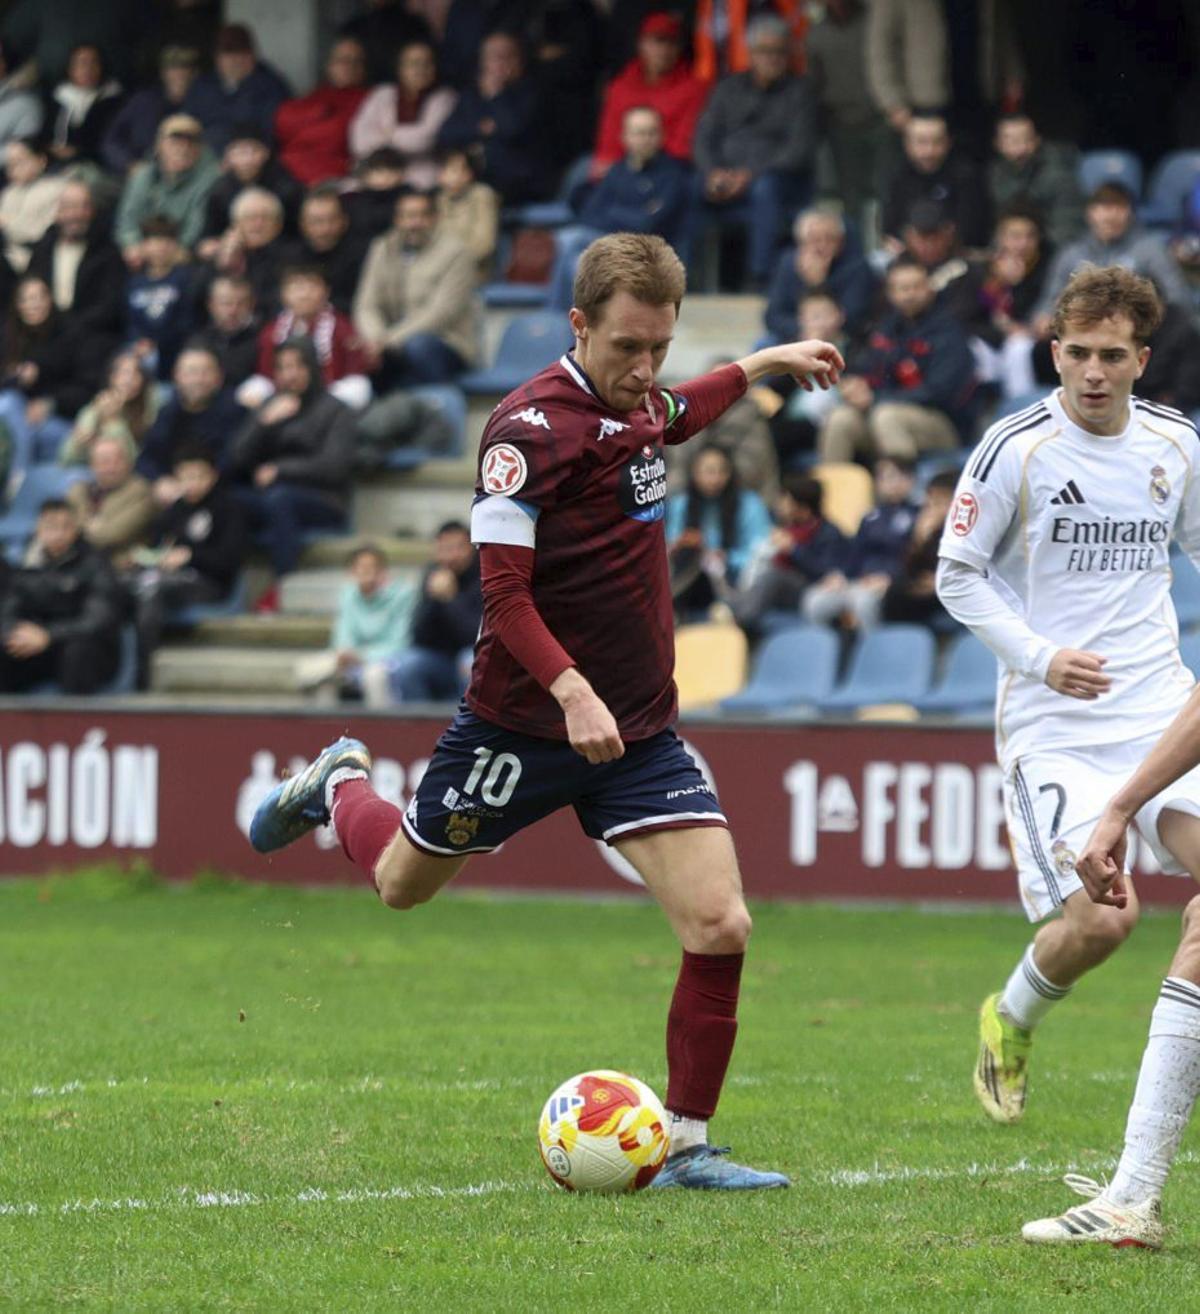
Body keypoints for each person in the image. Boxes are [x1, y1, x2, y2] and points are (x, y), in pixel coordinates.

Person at [246, 232, 844, 1191]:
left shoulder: (643, 398)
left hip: (637, 730)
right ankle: (341, 783)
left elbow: (682, 412)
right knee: (402, 884)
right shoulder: (523, 434)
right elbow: (504, 598)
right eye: (625, 349)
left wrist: (767, 360)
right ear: (578, 325)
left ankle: (687, 1145)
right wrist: (570, 691)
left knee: (721, 923)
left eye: (659, 346)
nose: (644, 370)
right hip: (521, 726)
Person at [933, 265, 1200, 1145]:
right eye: (1077, 353)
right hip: (1055, 728)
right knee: (1104, 919)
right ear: (1053, 352)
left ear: (1141, 360)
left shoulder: (1177, 446)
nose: (1092, 371)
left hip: (1162, 710)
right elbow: (956, 575)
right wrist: (1042, 659)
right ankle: (1009, 1019)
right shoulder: (1014, 448)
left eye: (1111, 355)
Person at [690, 14, 819, 287]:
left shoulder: (801, 92)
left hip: (779, 181)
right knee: (687, 187)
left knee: (766, 190)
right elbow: (704, 137)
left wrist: (748, 176)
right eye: (764, 51)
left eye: (779, 52)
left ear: (788, 54)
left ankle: (760, 278)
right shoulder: (728, 88)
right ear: (750, 53)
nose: (772, 58)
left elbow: (798, 150)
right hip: (725, 177)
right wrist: (712, 172)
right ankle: (684, 278)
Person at [818, 255, 976, 462]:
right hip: (884, 413)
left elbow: (938, 393)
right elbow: (863, 366)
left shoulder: (949, 330)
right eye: (902, 288)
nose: (909, 294)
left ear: (930, 288)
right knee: (841, 418)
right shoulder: (887, 326)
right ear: (890, 293)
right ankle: (835, 491)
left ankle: (900, 491)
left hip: (942, 425)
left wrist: (876, 397)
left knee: (887, 416)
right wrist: (855, 385)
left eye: (916, 287)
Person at [229, 337, 355, 595]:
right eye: (283, 368)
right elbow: (236, 459)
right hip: (268, 497)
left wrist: (280, 470)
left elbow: (334, 467)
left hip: (324, 501)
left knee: (280, 498)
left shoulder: (336, 410)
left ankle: (284, 588)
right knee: (228, 499)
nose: (290, 375)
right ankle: (226, 587)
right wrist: (263, 424)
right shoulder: (270, 406)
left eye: (297, 367)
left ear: (312, 368)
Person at [129, 443, 246, 687]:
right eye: (185, 477)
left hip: (209, 583)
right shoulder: (175, 509)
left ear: (212, 475)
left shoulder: (229, 508)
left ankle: (143, 676)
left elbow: (229, 561)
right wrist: (150, 556)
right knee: (126, 582)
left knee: (151, 587)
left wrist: (190, 557)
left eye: (198, 476)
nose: (192, 483)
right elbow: (157, 544)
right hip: (170, 578)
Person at [352, 188, 478, 387]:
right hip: (387, 345)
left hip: (445, 343)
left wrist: (388, 341)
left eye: (423, 216)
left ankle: (435, 406)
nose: (415, 223)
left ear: (435, 218)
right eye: (408, 216)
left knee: (418, 347)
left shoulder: (456, 252)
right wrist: (374, 339)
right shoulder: (382, 248)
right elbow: (367, 304)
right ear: (397, 220)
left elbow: (441, 313)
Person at [0, 498, 123, 693]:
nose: (58, 533)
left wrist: (49, 635)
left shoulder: (96, 563)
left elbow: (97, 620)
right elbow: (7, 609)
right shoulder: (24, 565)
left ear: (75, 530)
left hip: (84, 649)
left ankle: (73, 721)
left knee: (78, 651)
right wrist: (14, 633)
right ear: (38, 529)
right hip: (38, 647)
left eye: (65, 527)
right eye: (51, 526)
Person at [1033, 183, 1193, 326]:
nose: (1111, 215)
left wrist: (1150, 315)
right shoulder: (1071, 253)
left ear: (1130, 212)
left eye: (1120, 207)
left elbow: (1178, 299)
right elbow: (1049, 301)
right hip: (1082, 330)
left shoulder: (1150, 248)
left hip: (1139, 331)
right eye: (1104, 207)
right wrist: (1044, 318)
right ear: (1090, 212)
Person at [802, 456, 918, 631]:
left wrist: (892, 579)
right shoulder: (870, 517)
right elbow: (855, 554)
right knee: (815, 600)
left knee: (863, 602)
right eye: (881, 477)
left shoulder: (918, 516)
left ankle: (873, 652)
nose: (886, 483)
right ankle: (826, 653)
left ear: (909, 480)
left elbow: (914, 557)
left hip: (890, 583)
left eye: (892, 476)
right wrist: (840, 575)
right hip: (860, 581)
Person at [435, 32, 551, 205]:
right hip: (472, 182)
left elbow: (513, 130)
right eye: (493, 57)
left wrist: (496, 94)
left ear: (520, 60)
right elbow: (446, 134)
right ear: (482, 61)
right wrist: (482, 128)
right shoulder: (471, 94)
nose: (500, 63)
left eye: (506, 56)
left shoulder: (533, 92)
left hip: (520, 187)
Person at [591, 12, 708, 179]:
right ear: (641, 44)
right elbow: (609, 138)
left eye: (672, 43)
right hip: (621, 166)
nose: (664, 50)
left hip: (668, 170)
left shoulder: (694, 88)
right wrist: (613, 165)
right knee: (580, 177)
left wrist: (641, 162)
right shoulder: (621, 86)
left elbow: (682, 146)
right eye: (657, 42)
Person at [297, 542, 415, 706]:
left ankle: (383, 729)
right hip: (351, 661)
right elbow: (343, 636)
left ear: (383, 572)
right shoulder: (348, 594)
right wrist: (346, 654)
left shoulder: (403, 595)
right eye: (360, 567)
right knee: (314, 674)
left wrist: (361, 656)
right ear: (351, 572)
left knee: (373, 676)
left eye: (371, 567)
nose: (366, 572)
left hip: (388, 662)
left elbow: (400, 643)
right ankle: (327, 727)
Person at [242, 264, 372, 411]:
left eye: (312, 286)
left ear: (326, 292)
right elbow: (266, 375)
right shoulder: (271, 332)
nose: (304, 294)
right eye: (296, 287)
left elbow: (355, 374)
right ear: (283, 294)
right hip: (282, 401)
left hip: (330, 402)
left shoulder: (343, 329)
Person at [732, 473, 847, 635]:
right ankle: (734, 611)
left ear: (803, 508)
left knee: (773, 575)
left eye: (785, 501)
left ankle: (740, 621)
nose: (779, 505)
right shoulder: (786, 528)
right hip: (782, 592)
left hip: (811, 590)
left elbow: (825, 571)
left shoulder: (828, 532)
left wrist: (794, 549)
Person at [665, 444, 773, 617]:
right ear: (694, 473)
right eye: (708, 471)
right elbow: (671, 543)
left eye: (721, 471)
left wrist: (727, 558)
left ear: (730, 473)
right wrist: (681, 545)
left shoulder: (750, 504)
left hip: (736, 582)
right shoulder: (681, 504)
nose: (715, 479)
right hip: (690, 581)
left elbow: (760, 552)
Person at [577, 107, 692, 253]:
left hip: (650, 255)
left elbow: (647, 224)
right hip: (605, 243)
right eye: (639, 133)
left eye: (652, 132)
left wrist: (612, 211)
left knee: (571, 241)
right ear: (625, 137)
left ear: (662, 136)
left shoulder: (675, 174)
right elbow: (590, 213)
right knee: (569, 246)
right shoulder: (617, 170)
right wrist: (633, 213)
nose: (646, 139)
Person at [1, 273, 112, 423]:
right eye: (25, 299)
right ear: (17, 305)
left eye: (40, 297)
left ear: (50, 300)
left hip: (59, 415)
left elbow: (86, 386)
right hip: (17, 410)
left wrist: (50, 403)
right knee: (8, 405)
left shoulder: (72, 333)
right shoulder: (9, 335)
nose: (34, 305)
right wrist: (17, 378)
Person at [390, 520, 481, 701]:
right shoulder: (433, 573)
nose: (450, 556)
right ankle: (417, 728)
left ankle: (467, 727)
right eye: (444, 549)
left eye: (456, 548)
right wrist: (433, 599)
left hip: (472, 653)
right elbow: (418, 635)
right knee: (408, 665)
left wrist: (450, 600)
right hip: (439, 658)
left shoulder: (484, 575)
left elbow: (476, 634)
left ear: (471, 548)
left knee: (470, 662)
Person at [136, 344, 245, 493]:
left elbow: (234, 460)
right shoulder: (168, 412)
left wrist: (196, 481)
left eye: (206, 372)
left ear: (219, 377)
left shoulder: (235, 411)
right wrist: (160, 481)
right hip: (174, 489)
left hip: (220, 490)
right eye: (191, 372)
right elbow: (146, 458)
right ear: (177, 376)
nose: (198, 379)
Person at [349, 41, 457, 192]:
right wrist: (398, 138)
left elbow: (423, 139)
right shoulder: (382, 93)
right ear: (400, 68)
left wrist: (386, 134)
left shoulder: (445, 97)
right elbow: (359, 140)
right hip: (374, 176)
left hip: (420, 180)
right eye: (413, 63)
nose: (420, 69)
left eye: (427, 63)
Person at [114, 114, 221, 262]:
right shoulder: (143, 175)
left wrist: (166, 252)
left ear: (200, 148)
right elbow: (127, 220)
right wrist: (132, 244)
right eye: (175, 142)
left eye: (191, 143)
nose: (183, 149)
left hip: (183, 254)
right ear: (159, 145)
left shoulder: (211, 178)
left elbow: (196, 227)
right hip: (143, 252)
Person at [763, 206, 877, 344]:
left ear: (841, 242)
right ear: (800, 242)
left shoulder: (857, 267)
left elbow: (853, 318)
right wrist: (804, 329)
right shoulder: (788, 263)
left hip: (839, 337)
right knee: (764, 344)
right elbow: (773, 316)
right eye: (815, 239)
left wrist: (819, 285)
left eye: (830, 239)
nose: (822, 246)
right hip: (796, 334)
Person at [27, 179, 125, 335]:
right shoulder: (43, 249)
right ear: (57, 212)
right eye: (67, 207)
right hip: (46, 331)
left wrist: (70, 326)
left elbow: (110, 305)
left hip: (91, 333)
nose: (74, 215)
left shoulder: (107, 251)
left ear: (91, 211)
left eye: (82, 207)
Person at [881, 114, 989, 252]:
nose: (929, 151)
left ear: (948, 142)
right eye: (921, 142)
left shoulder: (966, 175)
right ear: (907, 144)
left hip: (956, 254)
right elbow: (890, 229)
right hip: (906, 254)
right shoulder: (896, 176)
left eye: (937, 142)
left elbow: (972, 230)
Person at [274, 38, 369, 187]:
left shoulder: (369, 100)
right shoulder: (317, 95)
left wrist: (310, 126)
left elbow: (338, 136)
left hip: (335, 175)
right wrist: (316, 115)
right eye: (342, 60)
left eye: (356, 62)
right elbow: (283, 121)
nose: (348, 67)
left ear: (363, 69)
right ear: (330, 65)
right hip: (291, 171)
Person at [184, 23, 291, 155]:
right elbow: (186, 124)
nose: (236, 61)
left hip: (250, 161)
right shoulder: (202, 85)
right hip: (204, 159)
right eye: (229, 54)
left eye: (242, 54)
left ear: (253, 56)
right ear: (217, 58)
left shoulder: (270, 86)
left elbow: (270, 135)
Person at [987, 112, 1083, 250]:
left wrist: (1028, 245)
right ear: (997, 144)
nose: (1019, 147)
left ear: (1037, 140)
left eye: (1025, 139)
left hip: (1048, 251)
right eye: (1011, 140)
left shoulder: (1058, 175)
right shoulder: (994, 174)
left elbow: (1067, 231)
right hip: (1009, 250)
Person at [101, 45, 201, 177]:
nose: (178, 74)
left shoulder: (205, 105)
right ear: (163, 72)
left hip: (187, 179)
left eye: (184, 68)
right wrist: (129, 165)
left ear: (195, 73)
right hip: (137, 174)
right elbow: (111, 141)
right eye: (172, 68)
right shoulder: (143, 101)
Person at [199, 124, 301, 248]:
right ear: (228, 157)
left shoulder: (287, 189)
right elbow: (208, 236)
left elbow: (298, 233)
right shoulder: (220, 191)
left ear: (266, 153)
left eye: (254, 151)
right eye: (239, 152)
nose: (247, 159)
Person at [878, 466, 954, 628]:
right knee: (896, 590)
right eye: (930, 503)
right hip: (929, 588)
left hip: (954, 588)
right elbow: (911, 569)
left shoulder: (965, 530)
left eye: (940, 503)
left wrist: (940, 583)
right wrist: (919, 539)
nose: (933, 509)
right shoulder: (931, 528)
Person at [123, 216, 196, 381]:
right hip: (141, 352)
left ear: (175, 245)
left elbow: (187, 321)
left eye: (167, 241)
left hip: (174, 353)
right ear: (144, 246)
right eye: (155, 241)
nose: (161, 247)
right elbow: (130, 322)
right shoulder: (134, 283)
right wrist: (138, 341)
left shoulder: (185, 278)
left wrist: (157, 344)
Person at [59, 349, 159, 466]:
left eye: (135, 374)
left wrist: (114, 422)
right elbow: (66, 457)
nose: (128, 380)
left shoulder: (152, 403)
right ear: (112, 378)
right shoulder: (98, 406)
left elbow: (134, 462)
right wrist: (81, 443)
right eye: (123, 373)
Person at [65, 434, 155, 562]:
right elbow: (61, 529)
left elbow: (107, 536)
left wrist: (80, 525)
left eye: (118, 460)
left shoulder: (141, 492)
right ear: (92, 465)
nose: (111, 467)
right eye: (104, 462)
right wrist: (90, 525)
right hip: (78, 564)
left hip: (118, 567)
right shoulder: (78, 491)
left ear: (129, 463)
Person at [279, 189, 369, 315]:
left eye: (332, 220)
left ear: (344, 221)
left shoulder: (363, 256)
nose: (325, 228)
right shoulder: (289, 258)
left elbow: (363, 302)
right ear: (303, 224)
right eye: (317, 221)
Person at [44, 43, 123, 167]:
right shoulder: (57, 98)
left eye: (94, 63)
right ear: (70, 69)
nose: (88, 69)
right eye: (82, 63)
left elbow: (110, 143)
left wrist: (77, 152)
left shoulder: (113, 100)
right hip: (53, 164)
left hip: (95, 167)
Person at [0, 136, 65, 273]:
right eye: (10, 164)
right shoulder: (9, 193)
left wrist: (6, 224)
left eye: (20, 161)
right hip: (7, 256)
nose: (13, 168)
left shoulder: (57, 189)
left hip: (35, 259)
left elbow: (41, 234)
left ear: (41, 160)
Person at [435, 148, 499, 281]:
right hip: (438, 271)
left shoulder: (482, 196)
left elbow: (484, 245)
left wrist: (451, 263)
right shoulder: (437, 199)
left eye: (453, 170)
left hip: (472, 272)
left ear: (469, 174)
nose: (447, 175)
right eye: (444, 169)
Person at [189, 275, 260, 389]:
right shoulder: (198, 342)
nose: (233, 310)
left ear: (251, 305)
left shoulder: (261, 340)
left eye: (241, 303)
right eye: (226, 303)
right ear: (211, 305)